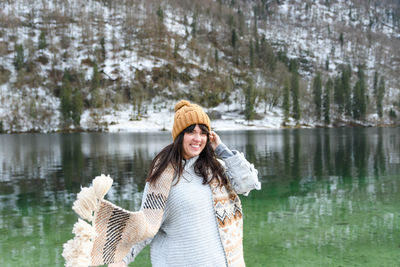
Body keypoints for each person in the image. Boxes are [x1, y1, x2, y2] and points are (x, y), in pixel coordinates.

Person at [110, 100, 260, 267]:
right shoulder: (164, 177)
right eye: (191, 132)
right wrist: (121, 259)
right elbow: (146, 224)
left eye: (203, 133)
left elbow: (248, 183)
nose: (198, 139)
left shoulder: (216, 169)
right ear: (180, 135)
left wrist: (221, 149)